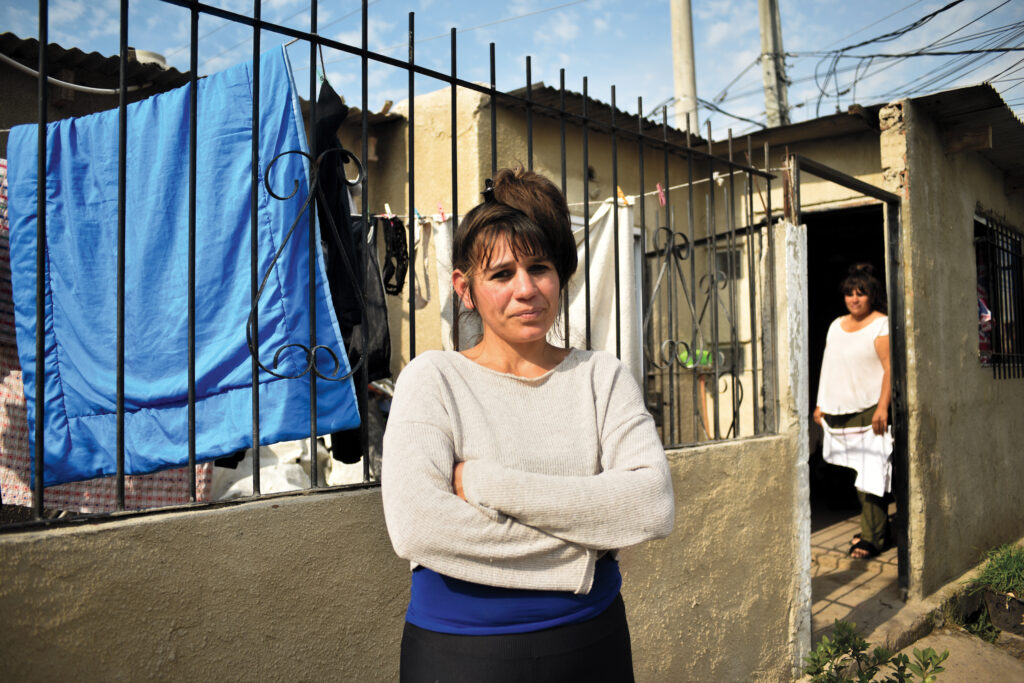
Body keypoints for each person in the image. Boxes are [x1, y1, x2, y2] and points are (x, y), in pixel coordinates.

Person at [381, 167, 675, 682]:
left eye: (539, 268)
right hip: (459, 655)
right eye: (500, 275)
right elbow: (418, 526)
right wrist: (589, 543)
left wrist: (484, 484)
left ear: (560, 276)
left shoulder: (601, 378)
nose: (526, 290)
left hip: (592, 642)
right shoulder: (433, 380)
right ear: (464, 288)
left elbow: (650, 505)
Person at [813, 263, 892, 560]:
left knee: (871, 476)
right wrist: (821, 404)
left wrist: (882, 407)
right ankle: (874, 528)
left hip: (869, 409)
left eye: (861, 293)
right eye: (849, 294)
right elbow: (829, 367)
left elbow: (889, 369)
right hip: (838, 410)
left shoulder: (881, 323)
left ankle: (872, 539)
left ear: (872, 296)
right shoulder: (836, 325)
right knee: (852, 473)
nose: (854, 299)